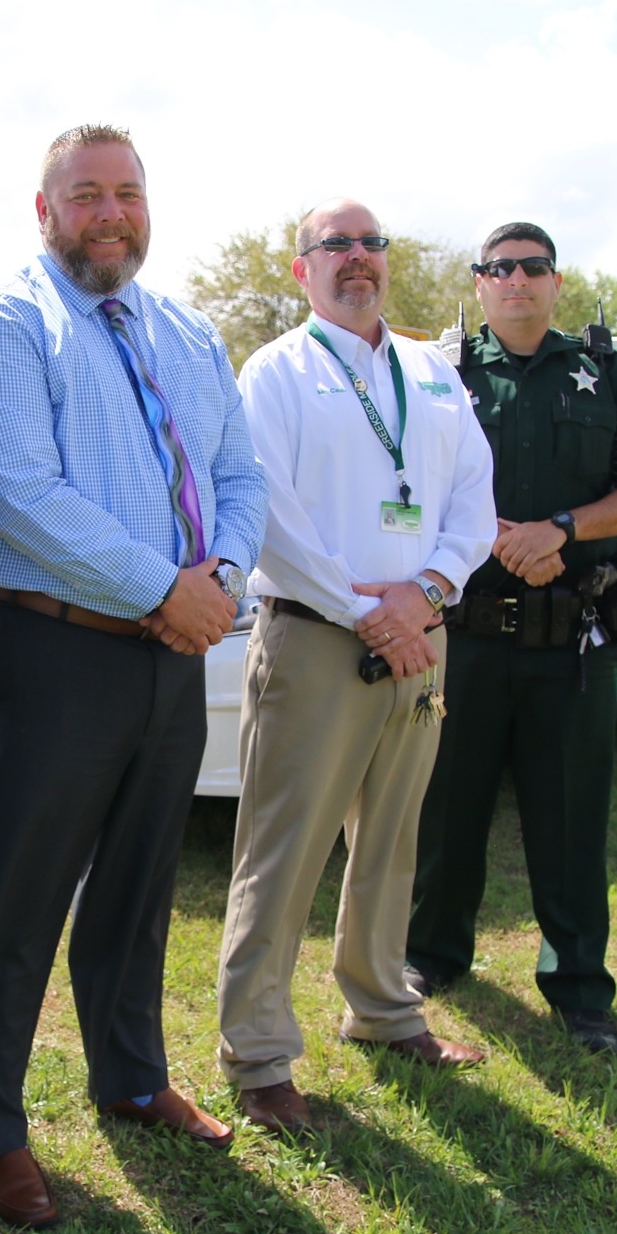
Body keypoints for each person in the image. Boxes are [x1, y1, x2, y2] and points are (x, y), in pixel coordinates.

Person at [0, 123, 266, 1228]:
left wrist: (213, 576)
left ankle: (127, 1074)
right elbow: (23, 496)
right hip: (50, 652)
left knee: (135, 887)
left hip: (169, 657)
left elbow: (236, 471)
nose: (110, 213)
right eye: (85, 196)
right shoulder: (2, 332)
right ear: (43, 212)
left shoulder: (189, 331)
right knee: (13, 902)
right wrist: (167, 591)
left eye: (126, 192)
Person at [215, 199, 498, 1136]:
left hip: (420, 632)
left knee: (392, 836)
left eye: (371, 243)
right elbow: (268, 509)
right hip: (319, 636)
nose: (357, 259)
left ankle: (381, 1006)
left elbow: (472, 495)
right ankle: (257, 1054)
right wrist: (367, 611)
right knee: (282, 849)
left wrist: (429, 591)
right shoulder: (277, 373)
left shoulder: (433, 372)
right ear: (302, 268)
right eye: (334, 245)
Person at [406, 221, 617, 1055]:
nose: (516, 280)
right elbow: (412, 482)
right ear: (480, 283)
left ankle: (578, 988)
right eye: (500, 268)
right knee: (446, 809)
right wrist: (495, 536)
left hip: (575, 642)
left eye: (532, 267)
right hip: (470, 634)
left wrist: (560, 528)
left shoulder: (606, 376)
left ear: (556, 282)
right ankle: (432, 956)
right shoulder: (439, 378)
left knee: (569, 817)